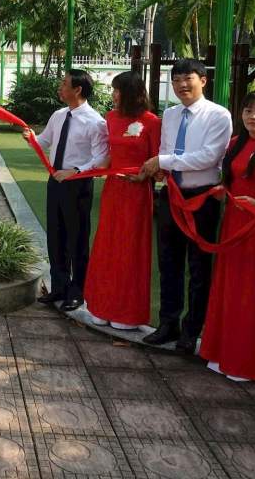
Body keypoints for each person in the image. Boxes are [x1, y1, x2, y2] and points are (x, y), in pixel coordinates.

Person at [140, 59, 232, 353]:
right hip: (171, 194)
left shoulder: (219, 116)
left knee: (199, 266)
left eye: (188, 78)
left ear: (203, 80)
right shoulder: (170, 114)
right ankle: (168, 323)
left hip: (201, 198)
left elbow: (207, 157)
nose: (181, 84)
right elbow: (166, 149)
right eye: (176, 79)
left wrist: (164, 161)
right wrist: (161, 169)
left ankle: (192, 330)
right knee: (169, 263)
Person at [198, 92, 255, 382]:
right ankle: (221, 351)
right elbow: (232, 181)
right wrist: (223, 191)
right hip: (234, 222)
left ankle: (247, 362)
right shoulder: (235, 145)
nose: (253, 117)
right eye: (248, 110)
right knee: (229, 285)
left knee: (253, 291)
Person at [23, 70, 108, 312]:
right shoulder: (59, 115)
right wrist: (31, 137)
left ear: (77, 90)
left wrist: (76, 170)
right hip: (55, 182)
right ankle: (59, 287)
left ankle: (77, 292)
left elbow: (101, 157)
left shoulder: (95, 121)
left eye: (64, 83)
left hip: (78, 184)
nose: (60, 87)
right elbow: (44, 141)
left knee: (77, 239)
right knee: (56, 236)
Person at [83, 71, 160, 330]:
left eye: (118, 90)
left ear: (133, 93)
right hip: (113, 190)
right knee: (107, 245)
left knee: (130, 248)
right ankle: (101, 305)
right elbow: (107, 157)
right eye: (114, 90)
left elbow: (158, 163)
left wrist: (144, 174)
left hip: (137, 194)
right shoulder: (111, 118)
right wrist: (81, 171)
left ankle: (126, 312)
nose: (114, 95)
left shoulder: (151, 122)